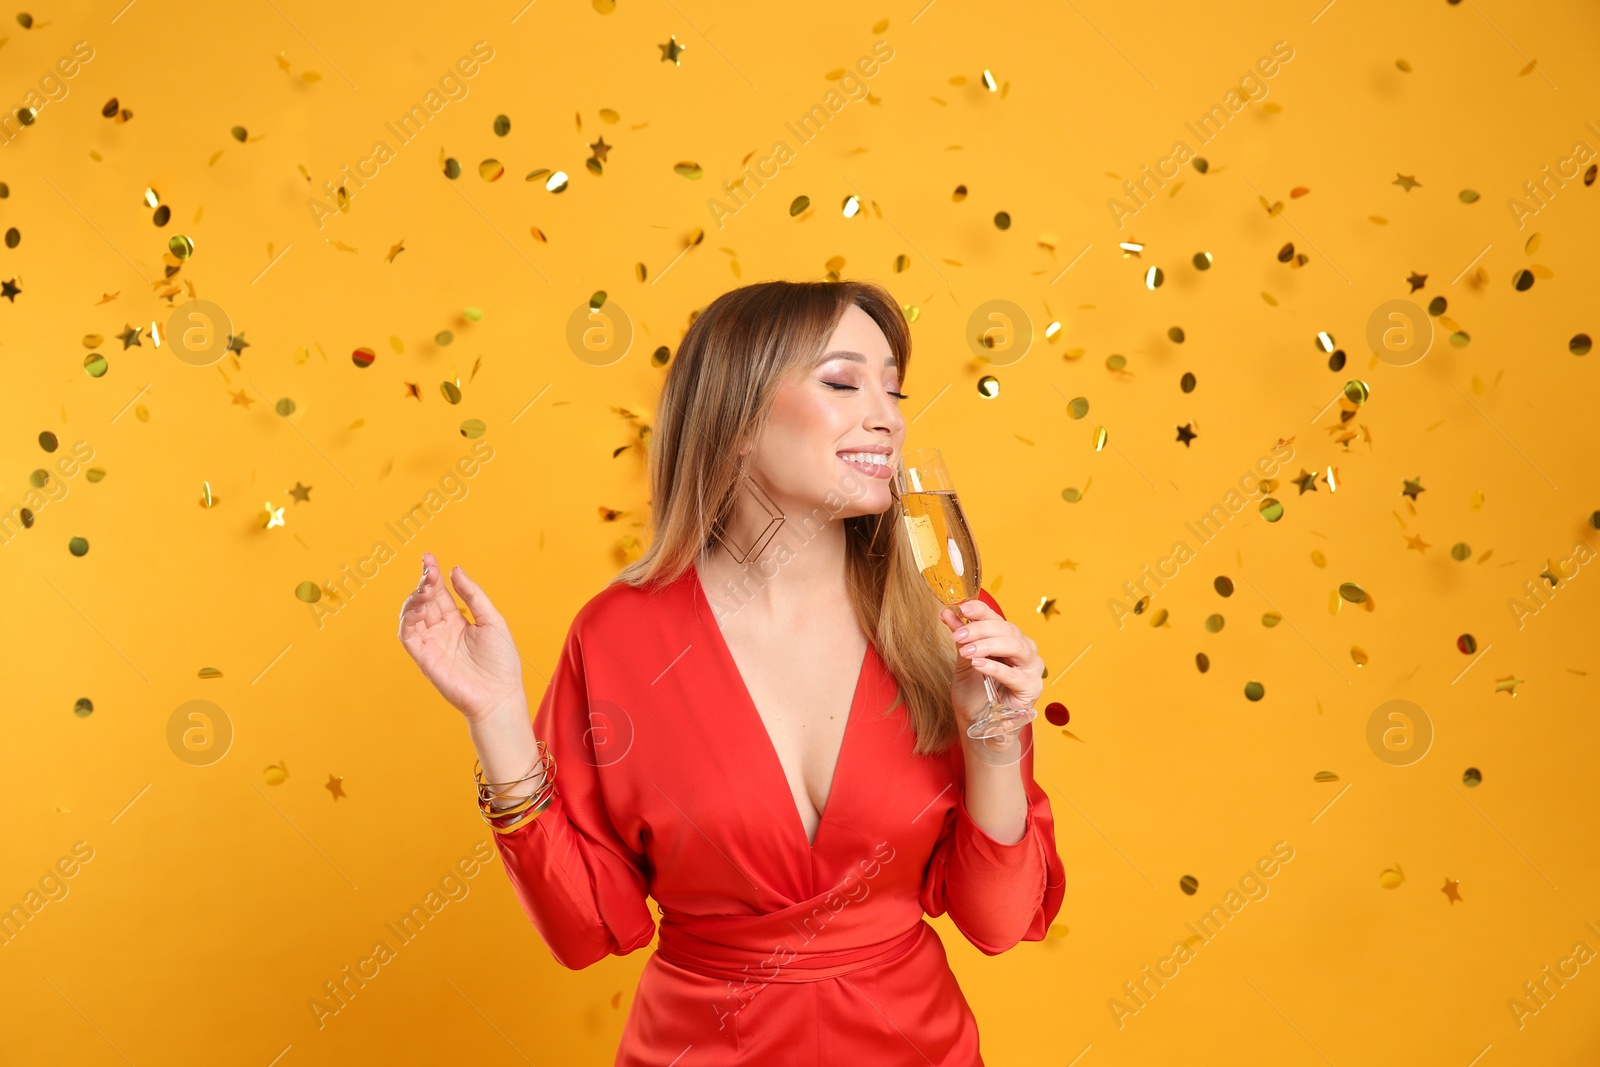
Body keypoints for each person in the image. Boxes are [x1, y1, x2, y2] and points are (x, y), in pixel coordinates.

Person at [397, 279, 1066, 1065]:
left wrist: (994, 739)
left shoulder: (944, 620)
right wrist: (497, 717)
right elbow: (586, 931)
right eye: (844, 381)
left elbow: (996, 920)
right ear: (738, 420)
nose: (887, 414)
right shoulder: (619, 637)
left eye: (893, 386)